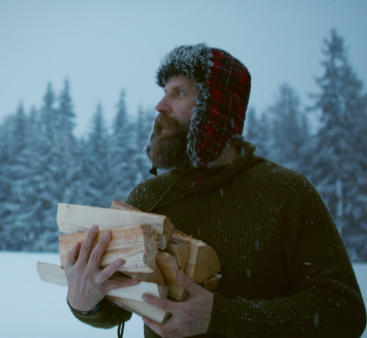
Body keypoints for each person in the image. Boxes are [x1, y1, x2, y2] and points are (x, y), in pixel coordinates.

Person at [64, 43, 366, 338]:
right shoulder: (148, 198)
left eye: (178, 92)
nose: (160, 105)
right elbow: (117, 306)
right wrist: (85, 302)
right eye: (163, 92)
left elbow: (344, 312)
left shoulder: (286, 193)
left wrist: (221, 317)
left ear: (216, 109)